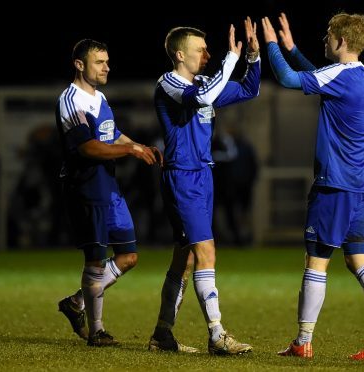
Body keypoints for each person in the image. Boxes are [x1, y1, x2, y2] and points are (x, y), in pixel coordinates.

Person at [261, 13, 364, 360]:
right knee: (359, 259)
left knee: (316, 260)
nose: (324, 39)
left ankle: (303, 341)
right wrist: (293, 47)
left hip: (337, 183)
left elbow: (292, 80)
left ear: (340, 41)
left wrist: (273, 47)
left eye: (327, 35)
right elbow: (323, 79)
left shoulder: (339, 75)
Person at [148, 18, 261, 355]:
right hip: (183, 176)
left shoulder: (201, 83)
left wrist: (252, 58)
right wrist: (230, 58)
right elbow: (201, 99)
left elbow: (247, 90)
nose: (208, 54)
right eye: (201, 49)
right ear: (180, 55)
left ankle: (162, 334)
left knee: (183, 260)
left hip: (202, 175)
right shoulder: (169, 83)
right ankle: (217, 335)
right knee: (206, 252)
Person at [55, 39, 162, 347]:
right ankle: (97, 330)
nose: (107, 67)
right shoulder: (70, 100)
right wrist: (128, 150)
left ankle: (77, 302)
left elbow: (110, 134)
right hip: (86, 188)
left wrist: (139, 146)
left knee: (129, 256)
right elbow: (88, 146)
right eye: (99, 62)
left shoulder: (99, 98)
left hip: (109, 188)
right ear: (79, 64)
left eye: (107, 61)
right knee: (96, 262)